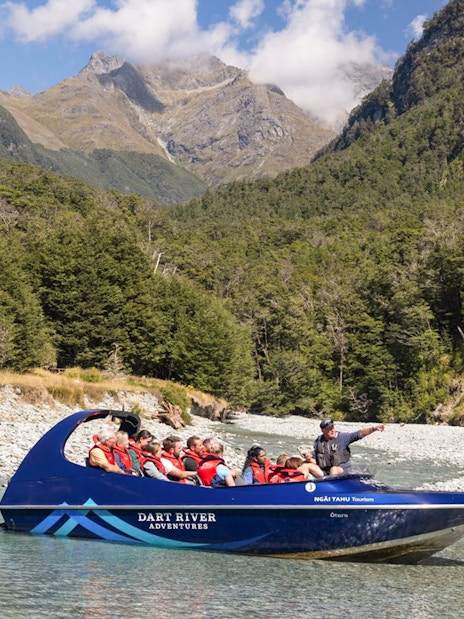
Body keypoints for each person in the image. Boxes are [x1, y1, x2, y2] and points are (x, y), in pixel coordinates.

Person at [313, 418, 385, 476]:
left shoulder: (342, 437)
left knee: (334, 469)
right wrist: (308, 459)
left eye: (332, 427)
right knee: (305, 466)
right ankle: (303, 490)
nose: (332, 430)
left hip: (343, 471)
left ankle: (335, 491)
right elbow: (315, 461)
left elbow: (358, 434)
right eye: (329, 429)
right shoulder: (318, 441)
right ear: (323, 430)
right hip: (325, 472)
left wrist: (373, 429)